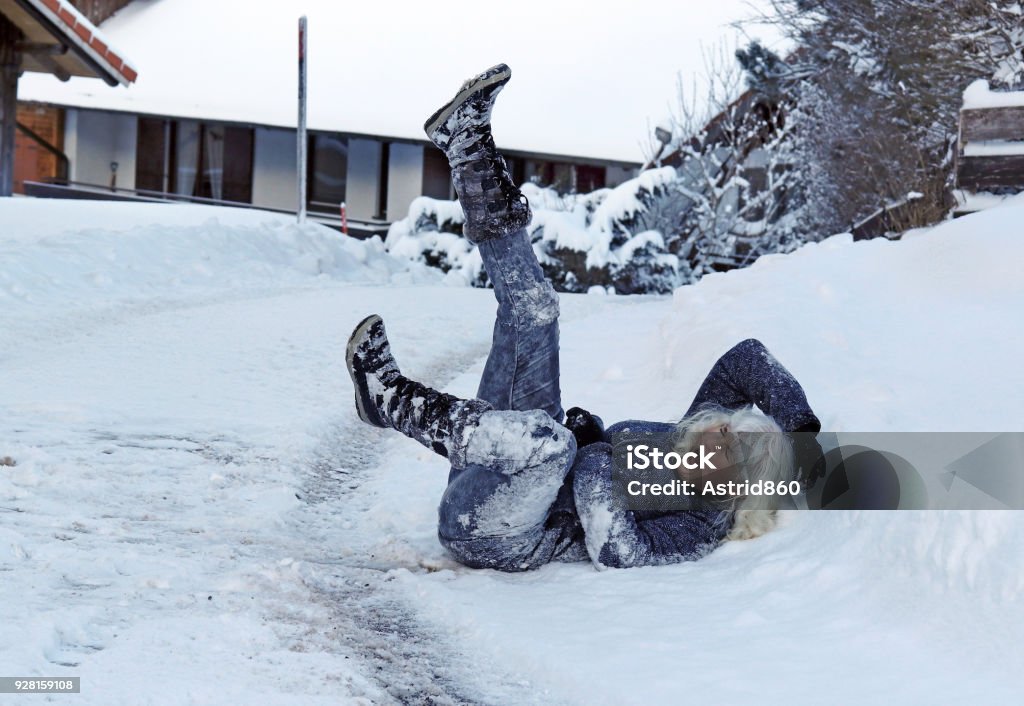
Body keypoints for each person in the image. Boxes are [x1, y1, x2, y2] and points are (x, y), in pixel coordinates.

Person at [346, 64, 824, 572]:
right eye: (732, 427)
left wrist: (595, 458)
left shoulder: (701, 521)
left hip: (498, 533)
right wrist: (799, 428)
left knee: (550, 445)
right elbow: (745, 361)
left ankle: (389, 399)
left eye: (738, 450)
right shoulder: (683, 442)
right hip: (507, 468)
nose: (724, 435)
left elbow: (620, 551)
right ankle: (467, 145)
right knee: (535, 313)